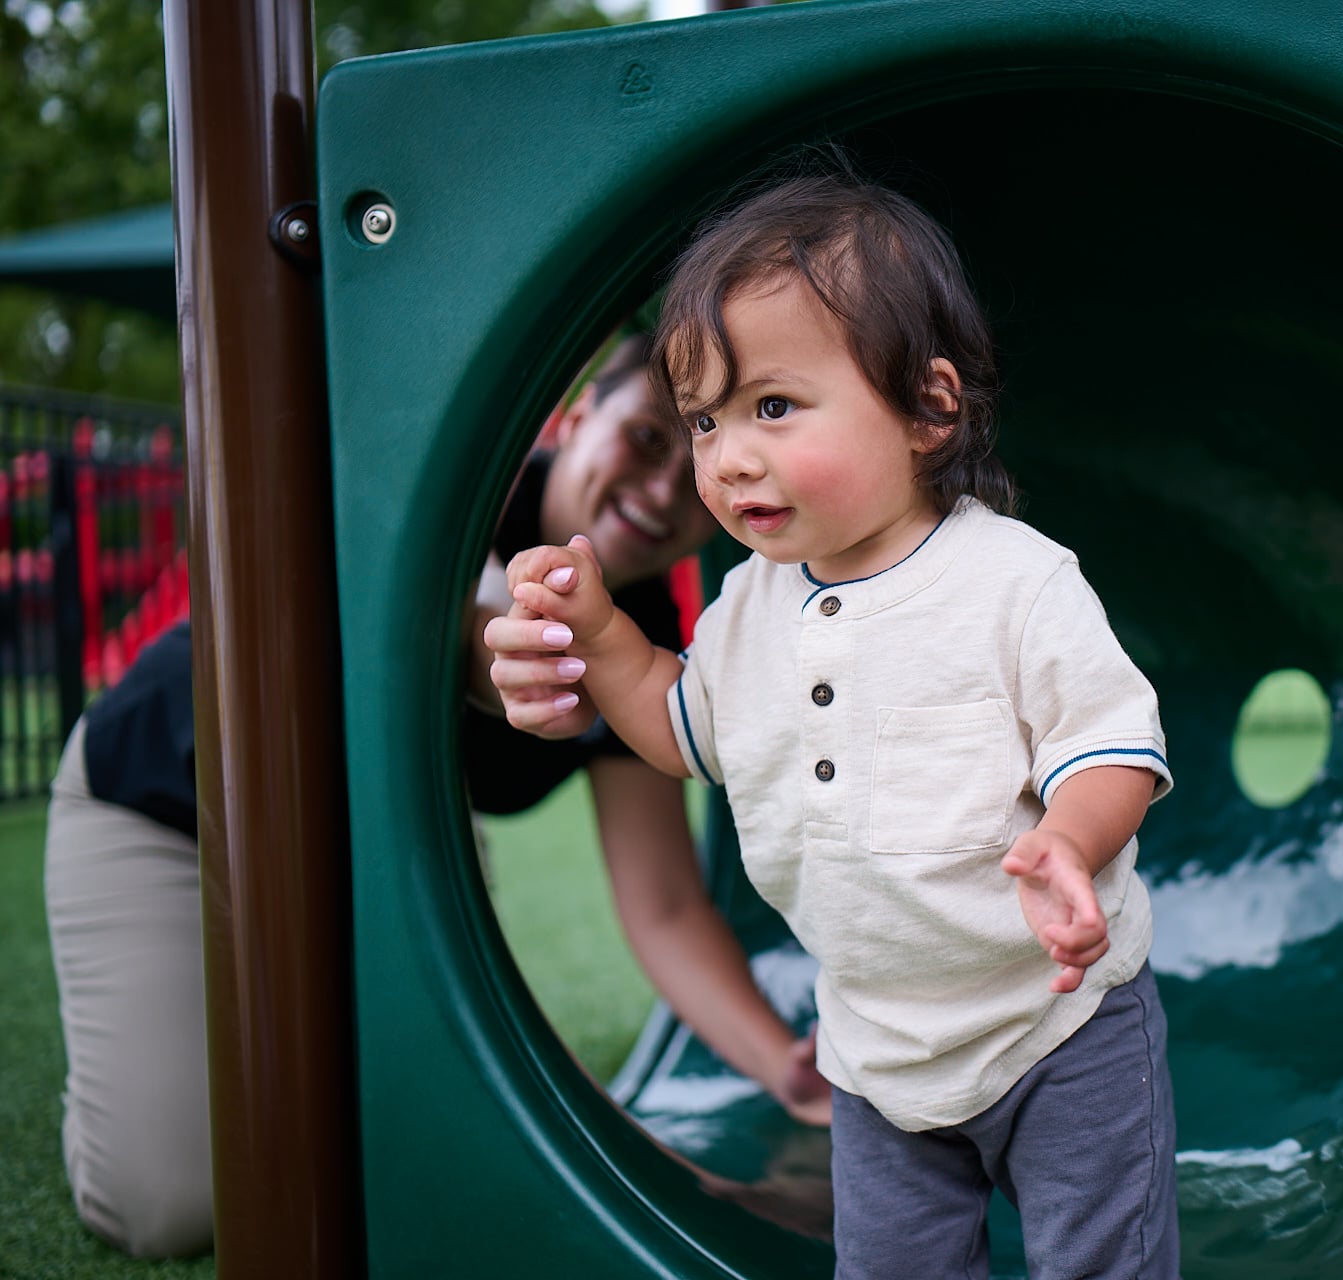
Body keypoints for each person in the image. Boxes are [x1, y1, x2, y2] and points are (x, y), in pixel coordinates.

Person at [487, 174, 1180, 1279]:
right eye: (705, 419)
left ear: (927, 408)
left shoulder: (1013, 581)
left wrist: (1072, 839)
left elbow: (1112, 745)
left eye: (771, 406)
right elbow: (678, 726)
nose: (727, 456)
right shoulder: (746, 607)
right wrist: (602, 634)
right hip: (876, 1054)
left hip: (1061, 1031)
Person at [41, 333, 828, 1260]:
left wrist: (787, 1068)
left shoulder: (643, 629)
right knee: (163, 1207)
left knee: (445, 1141)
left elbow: (660, 905)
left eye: (687, 451)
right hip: (168, 801)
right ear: (580, 418)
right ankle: (126, 1069)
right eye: (645, 437)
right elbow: (452, 626)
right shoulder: (467, 493)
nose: (660, 488)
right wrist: (504, 656)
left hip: (382, 847)